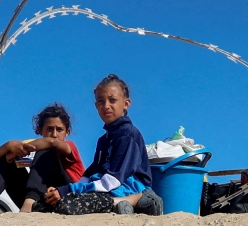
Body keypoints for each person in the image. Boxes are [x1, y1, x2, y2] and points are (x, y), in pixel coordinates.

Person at [41, 74, 162, 216]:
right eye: (100, 101)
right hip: (107, 189)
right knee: (42, 206)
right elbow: (92, 173)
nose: (106, 106)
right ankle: (121, 205)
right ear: (96, 105)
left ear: (126, 103)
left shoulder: (128, 134)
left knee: (66, 205)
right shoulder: (103, 140)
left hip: (128, 188)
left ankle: (138, 200)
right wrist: (63, 190)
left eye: (112, 100)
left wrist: (68, 191)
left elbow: (113, 180)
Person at [0, 103, 85, 216]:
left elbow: (52, 143)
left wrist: (20, 149)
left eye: (60, 129)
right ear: (40, 129)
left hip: (68, 196)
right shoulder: (34, 145)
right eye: (49, 129)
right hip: (44, 199)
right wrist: (9, 146)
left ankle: (30, 202)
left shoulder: (69, 146)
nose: (54, 134)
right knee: (8, 162)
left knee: (47, 150)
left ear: (67, 132)